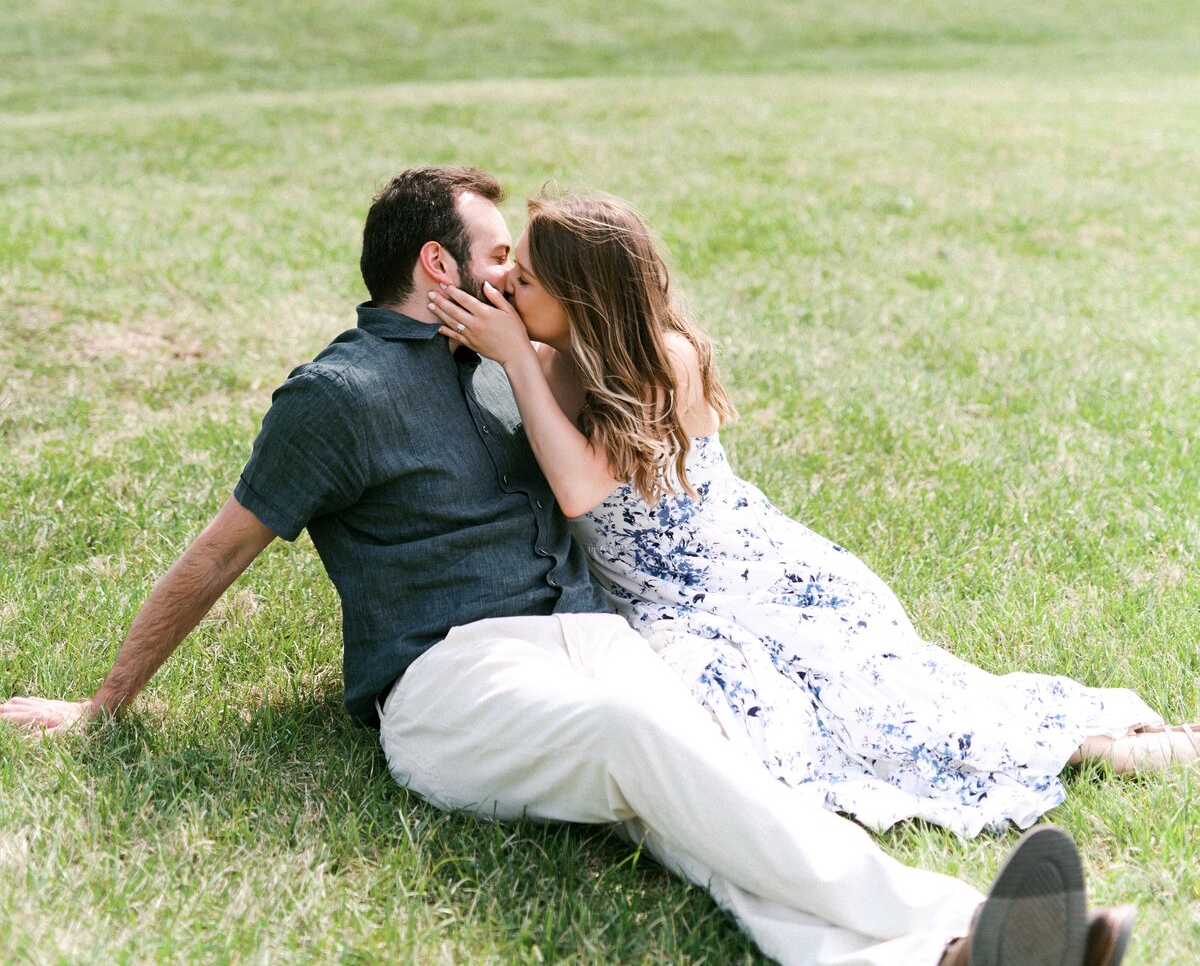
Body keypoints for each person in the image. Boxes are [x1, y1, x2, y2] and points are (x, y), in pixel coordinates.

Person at [2, 167, 1134, 966]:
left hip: (598, 637)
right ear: (438, 262)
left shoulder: (515, 365)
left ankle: (934, 958)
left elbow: (628, 386)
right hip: (455, 679)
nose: (515, 282)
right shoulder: (336, 398)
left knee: (697, 785)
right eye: (500, 259)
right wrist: (106, 704)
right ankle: (962, 913)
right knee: (640, 744)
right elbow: (214, 555)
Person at [428, 190, 1198, 846]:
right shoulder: (558, 357)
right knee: (758, 726)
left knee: (888, 708)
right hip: (668, 606)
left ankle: (1112, 749)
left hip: (745, 576)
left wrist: (518, 360)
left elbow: (578, 491)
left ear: (581, 299)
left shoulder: (665, 358)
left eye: (521, 279)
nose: (503, 290)